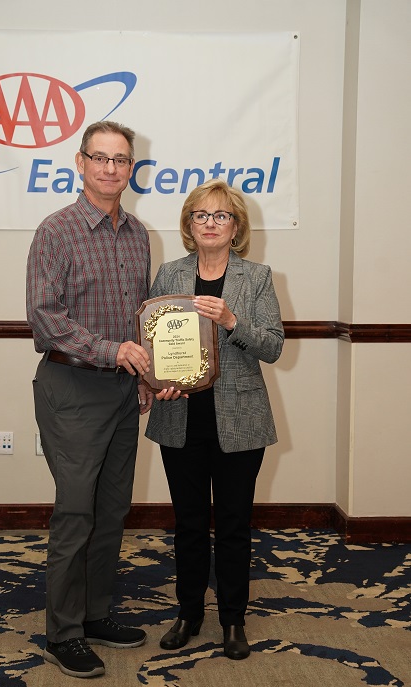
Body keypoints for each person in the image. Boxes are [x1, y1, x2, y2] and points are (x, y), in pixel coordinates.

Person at [26, 121, 153, 679]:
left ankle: (96, 613)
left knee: (111, 511)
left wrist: (147, 369)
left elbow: (142, 314)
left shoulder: (139, 234)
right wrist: (114, 350)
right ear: (80, 163)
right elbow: (45, 318)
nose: (110, 168)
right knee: (76, 513)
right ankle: (64, 633)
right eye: (99, 158)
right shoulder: (56, 231)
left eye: (120, 159)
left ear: (131, 168)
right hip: (73, 387)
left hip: (125, 390)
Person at [145, 179, 284, 659]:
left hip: (240, 419)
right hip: (179, 415)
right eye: (200, 215)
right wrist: (154, 377)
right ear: (188, 224)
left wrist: (231, 321)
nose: (210, 223)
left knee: (232, 524)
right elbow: (153, 342)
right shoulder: (167, 274)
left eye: (220, 215)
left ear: (236, 226)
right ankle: (187, 613)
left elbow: (273, 345)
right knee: (186, 523)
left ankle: (232, 619)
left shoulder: (258, 277)